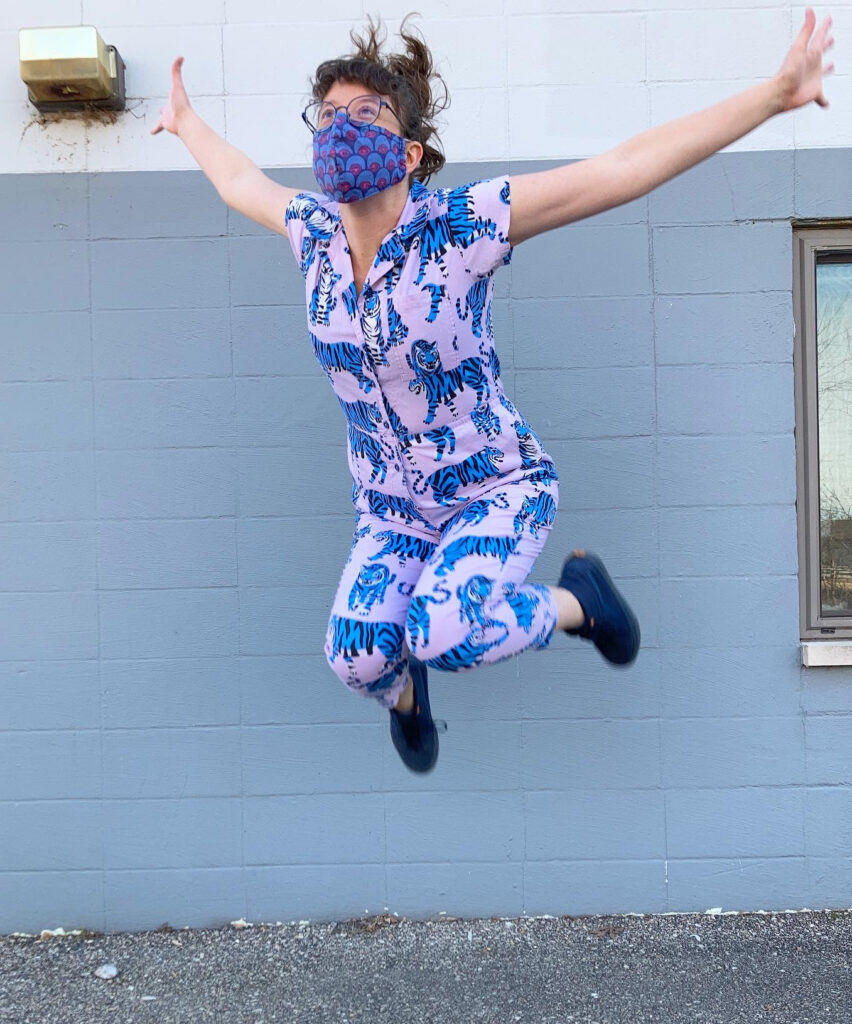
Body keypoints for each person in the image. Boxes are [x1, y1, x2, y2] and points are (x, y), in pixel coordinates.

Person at [153, 10, 834, 773]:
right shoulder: (310, 232)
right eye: (328, 116)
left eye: (364, 113)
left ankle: (580, 603)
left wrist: (772, 97)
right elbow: (239, 178)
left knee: (442, 634)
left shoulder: (463, 225)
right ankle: (408, 701)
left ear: (408, 151)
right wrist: (184, 123)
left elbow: (620, 169)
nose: (339, 128)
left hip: (495, 492)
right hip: (392, 511)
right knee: (355, 657)